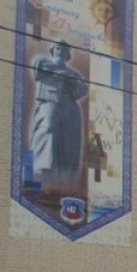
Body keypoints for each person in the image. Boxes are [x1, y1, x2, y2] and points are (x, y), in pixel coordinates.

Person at [29, 40, 88, 187]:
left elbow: (81, 90)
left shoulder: (74, 74)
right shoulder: (43, 61)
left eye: (64, 49)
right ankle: (43, 167)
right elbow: (38, 70)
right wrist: (61, 73)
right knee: (49, 126)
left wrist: (71, 80)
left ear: (68, 54)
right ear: (52, 50)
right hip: (48, 102)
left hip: (69, 108)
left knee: (69, 141)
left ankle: (65, 175)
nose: (60, 51)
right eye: (58, 48)